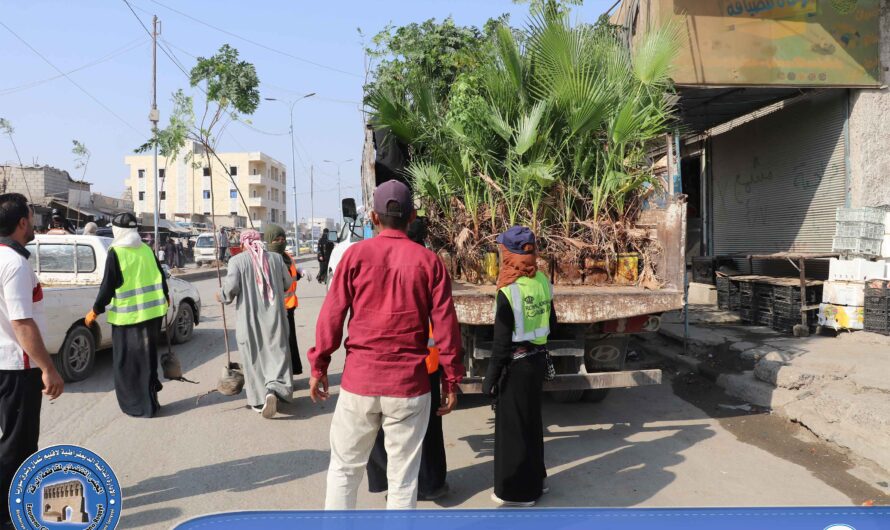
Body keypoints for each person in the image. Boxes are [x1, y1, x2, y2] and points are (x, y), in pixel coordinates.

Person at [308, 179, 464, 510]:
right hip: (409, 386)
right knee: (403, 479)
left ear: (374, 219)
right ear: (412, 217)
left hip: (359, 384)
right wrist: (452, 378)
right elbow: (447, 328)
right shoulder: (429, 263)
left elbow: (331, 316)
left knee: (344, 471)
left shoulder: (354, 256)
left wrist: (319, 366)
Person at [365, 218, 449, 501]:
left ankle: (391, 484)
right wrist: (452, 375)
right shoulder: (431, 263)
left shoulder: (379, 260)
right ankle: (432, 483)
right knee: (427, 428)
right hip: (429, 364)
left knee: (383, 426)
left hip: (388, 361)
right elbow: (444, 322)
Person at [0, 193, 64, 528]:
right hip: (16, 366)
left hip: (5, 363)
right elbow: (22, 323)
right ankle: (10, 514)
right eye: (31, 215)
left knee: (12, 437)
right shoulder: (14, 264)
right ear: (22, 222)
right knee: (18, 443)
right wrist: (48, 369)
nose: (35, 221)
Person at [482, 226, 557, 507]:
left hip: (515, 367)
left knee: (513, 430)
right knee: (532, 424)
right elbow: (552, 323)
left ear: (509, 255)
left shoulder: (508, 291)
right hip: (537, 362)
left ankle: (518, 493)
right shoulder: (540, 280)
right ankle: (538, 480)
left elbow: (501, 344)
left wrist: (489, 380)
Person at [86, 213, 169, 418]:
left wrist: (95, 310)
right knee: (147, 361)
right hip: (153, 315)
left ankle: (138, 407)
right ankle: (152, 404)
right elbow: (161, 278)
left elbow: (107, 286)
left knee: (128, 365)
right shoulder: (146, 250)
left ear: (117, 231)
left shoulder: (116, 252)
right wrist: (166, 299)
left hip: (128, 320)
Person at [217, 229, 293, 418]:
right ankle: (274, 390)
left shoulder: (237, 261)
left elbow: (229, 291)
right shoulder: (275, 259)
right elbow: (287, 283)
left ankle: (259, 401)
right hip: (275, 319)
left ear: (243, 244)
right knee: (278, 356)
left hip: (249, 321)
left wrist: (220, 295)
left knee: (254, 359)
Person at [265, 224, 304, 375]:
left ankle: (291, 371)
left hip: (290, 307)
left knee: (290, 342)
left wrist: (300, 272)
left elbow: (291, 277)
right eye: (276, 240)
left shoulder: (288, 257)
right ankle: (279, 376)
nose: (281, 242)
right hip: (275, 309)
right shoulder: (267, 260)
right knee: (278, 344)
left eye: (283, 239)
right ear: (269, 241)